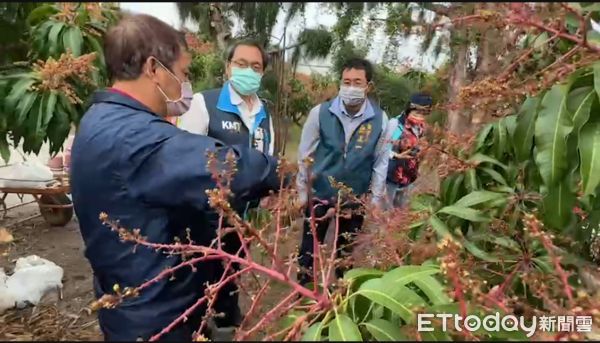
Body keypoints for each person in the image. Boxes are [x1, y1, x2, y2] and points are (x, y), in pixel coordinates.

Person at [70, 14, 281, 341]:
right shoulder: (139, 138)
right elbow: (227, 166)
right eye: (182, 73)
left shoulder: (99, 118)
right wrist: (280, 171)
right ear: (153, 69)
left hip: (130, 298)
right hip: (156, 315)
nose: (185, 84)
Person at [176, 40, 273, 335]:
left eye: (256, 67)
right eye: (241, 64)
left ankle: (228, 317)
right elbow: (183, 157)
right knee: (202, 274)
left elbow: (267, 157)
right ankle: (201, 325)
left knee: (234, 269)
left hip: (243, 216)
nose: (248, 71)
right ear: (228, 67)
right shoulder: (204, 103)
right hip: (206, 215)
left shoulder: (263, 112)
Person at [295, 58, 392, 286]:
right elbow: (304, 156)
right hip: (320, 194)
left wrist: (375, 200)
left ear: (368, 86)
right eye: (346, 82)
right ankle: (302, 294)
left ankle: (342, 295)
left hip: (354, 199)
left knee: (346, 254)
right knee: (309, 249)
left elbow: (380, 162)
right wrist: (302, 193)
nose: (350, 88)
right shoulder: (320, 113)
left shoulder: (381, 120)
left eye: (357, 82)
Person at [385, 92, 432, 209]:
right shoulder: (396, 125)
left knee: (401, 216)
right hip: (390, 178)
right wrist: (396, 156)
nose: (420, 116)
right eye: (417, 112)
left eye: (423, 113)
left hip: (409, 179)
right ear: (409, 109)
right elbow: (382, 149)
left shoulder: (421, 128)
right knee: (385, 216)